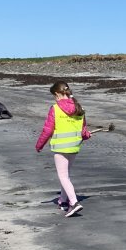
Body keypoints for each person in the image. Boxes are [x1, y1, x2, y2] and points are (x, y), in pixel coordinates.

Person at [35, 81, 91, 217]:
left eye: (54, 96)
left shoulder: (55, 108)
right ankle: (63, 201)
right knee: (65, 175)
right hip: (74, 146)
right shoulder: (79, 107)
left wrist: (39, 145)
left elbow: (48, 130)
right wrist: (86, 135)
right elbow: (83, 130)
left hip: (61, 147)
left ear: (57, 94)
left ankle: (74, 203)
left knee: (63, 176)